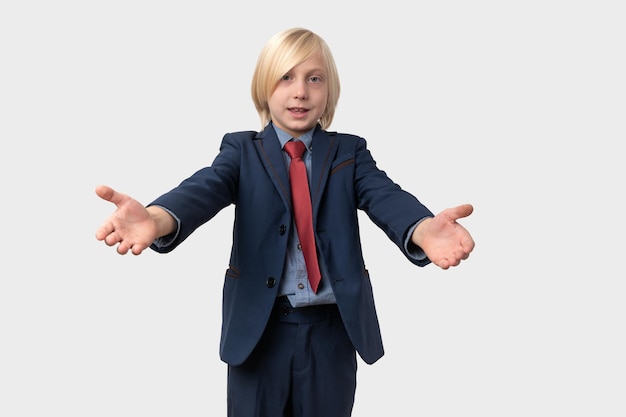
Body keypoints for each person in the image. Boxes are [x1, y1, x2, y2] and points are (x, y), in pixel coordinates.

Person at [95, 27, 475, 417]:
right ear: (264, 88)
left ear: (329, 91)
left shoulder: (349, 152)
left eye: (314, 79)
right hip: (260, 332)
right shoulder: (242, 150)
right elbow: (203, 190)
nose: (300, 92)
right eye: (286, 78)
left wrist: (425, 229)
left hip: (332, 331)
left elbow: (385, 196)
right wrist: (157, 220)